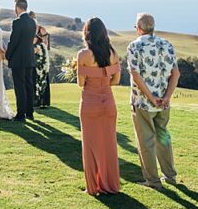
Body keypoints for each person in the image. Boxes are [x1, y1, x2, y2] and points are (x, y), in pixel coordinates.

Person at [127, 12, 180, 188]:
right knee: (163, 137)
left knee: (146, 141)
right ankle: (170, 176)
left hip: (143, 102)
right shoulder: (167, 44)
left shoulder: (134, 46)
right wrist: (166, 98)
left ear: (138, 28)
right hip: (164, 103)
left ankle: (152, 180)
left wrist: (151, 98)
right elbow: (176, 74)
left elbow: (135, 75)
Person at [76, 17, 121, 195]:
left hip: (90, 104)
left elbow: (81, 83)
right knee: (109, 145)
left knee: (90, 145)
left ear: (87, 34)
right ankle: (110, 185)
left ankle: (93, 187)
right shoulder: (114, 54)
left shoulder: (83, 55)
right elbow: (115, 81)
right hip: (109, 104)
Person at [5, 0, 38, 121]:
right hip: (30, 58)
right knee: (29, 85)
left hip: (18, 59)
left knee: (20, 87)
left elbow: (14, 41)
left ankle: (20, 114)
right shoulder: (32, 22)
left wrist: (8, 55)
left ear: (18, 8)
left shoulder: (17, 22)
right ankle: (30, 113)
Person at [30, 11, 51, 109]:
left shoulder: (41, 29)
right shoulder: (28, 29)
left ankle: (43, 101)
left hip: (41, 57)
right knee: (33, 78)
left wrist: (38, 48)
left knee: (42, 77)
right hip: (31, 57)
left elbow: (45, 44)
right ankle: (34, 100)